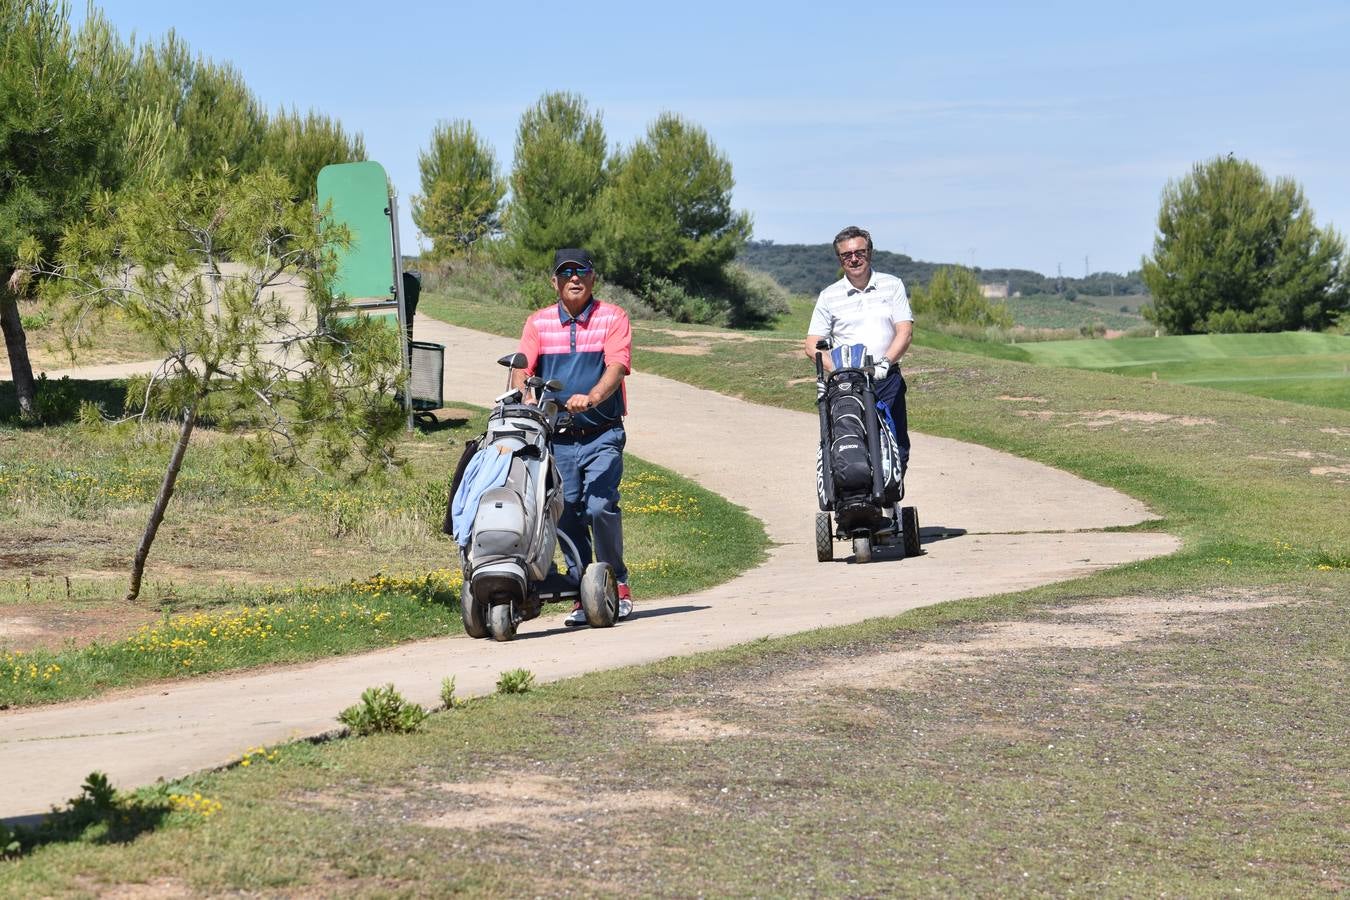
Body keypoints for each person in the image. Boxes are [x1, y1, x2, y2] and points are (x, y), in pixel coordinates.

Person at [515, 248, 634, 625]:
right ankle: (585, 590)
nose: (573, 279)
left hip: (602, 431)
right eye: (565, 274)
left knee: (600, 506)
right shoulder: (538, 323)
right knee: (564, 512)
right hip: (557, 436)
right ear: (555, 281)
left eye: (580, 272)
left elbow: (616, 366)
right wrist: (528, 395)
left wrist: (593, 397)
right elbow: (522, 367)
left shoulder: (613, 317)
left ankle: (617, 583)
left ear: (592, 277)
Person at [804, 225, 913, 484]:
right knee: (853, 442)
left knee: (896, 445)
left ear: (870, 253)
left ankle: (888, 499)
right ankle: (860, 500)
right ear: (840, 259)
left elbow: (904, 332)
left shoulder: (891, 285)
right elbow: (812, 345)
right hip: (848, 383)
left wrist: (885, 363)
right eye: (846, 255)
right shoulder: (829, 296)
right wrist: (840, 370)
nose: (854, 259)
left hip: (886, 378)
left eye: (859, 252)